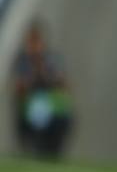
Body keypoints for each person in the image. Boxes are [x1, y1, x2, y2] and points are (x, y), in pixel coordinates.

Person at [12, 21, 72, 158]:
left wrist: (45, 72)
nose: (34, 46)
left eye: (36, 41)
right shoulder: (22, 60)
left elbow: (63, 83)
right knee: (37, 118)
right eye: (31, 42)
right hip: (32, 104)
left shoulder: (51, 58)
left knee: (63, 119)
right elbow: (19, 87)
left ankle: (53, 150)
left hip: (52, 103)